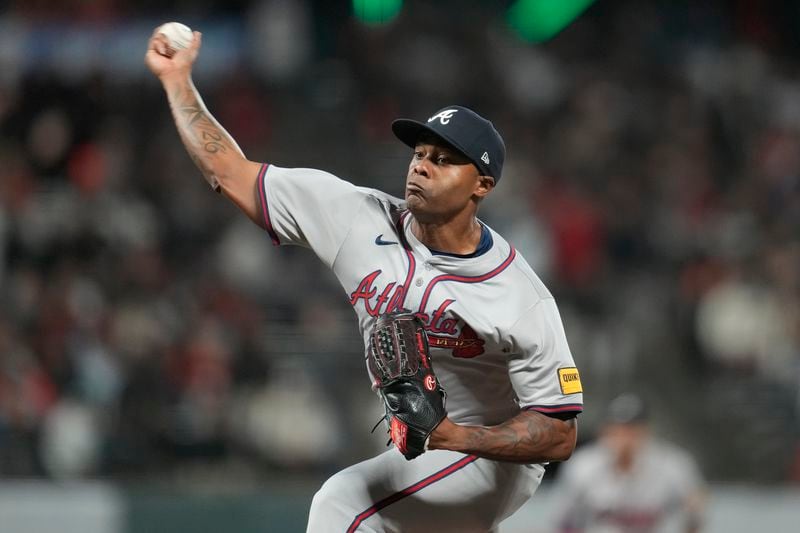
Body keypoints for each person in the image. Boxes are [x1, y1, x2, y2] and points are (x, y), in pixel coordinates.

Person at [145, 28, 583, 533]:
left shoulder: (518, 295)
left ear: (482, 185)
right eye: (419, 153)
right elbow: (229, 171)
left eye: (443, 160)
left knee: (343, 503)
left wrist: (453, 436)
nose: (421, 166)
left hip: (491, 458)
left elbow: (559, 433)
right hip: (424, 449)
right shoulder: (358, 217)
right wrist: (178, 81)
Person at [552, 393, 706, 533]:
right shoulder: (582, 466)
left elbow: (694, 518)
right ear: (604, 432)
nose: (624, 439)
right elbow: (565, 523)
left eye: (632, 431)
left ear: (646, 431)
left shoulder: (674, 466)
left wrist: (693, 512)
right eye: (617, 431)